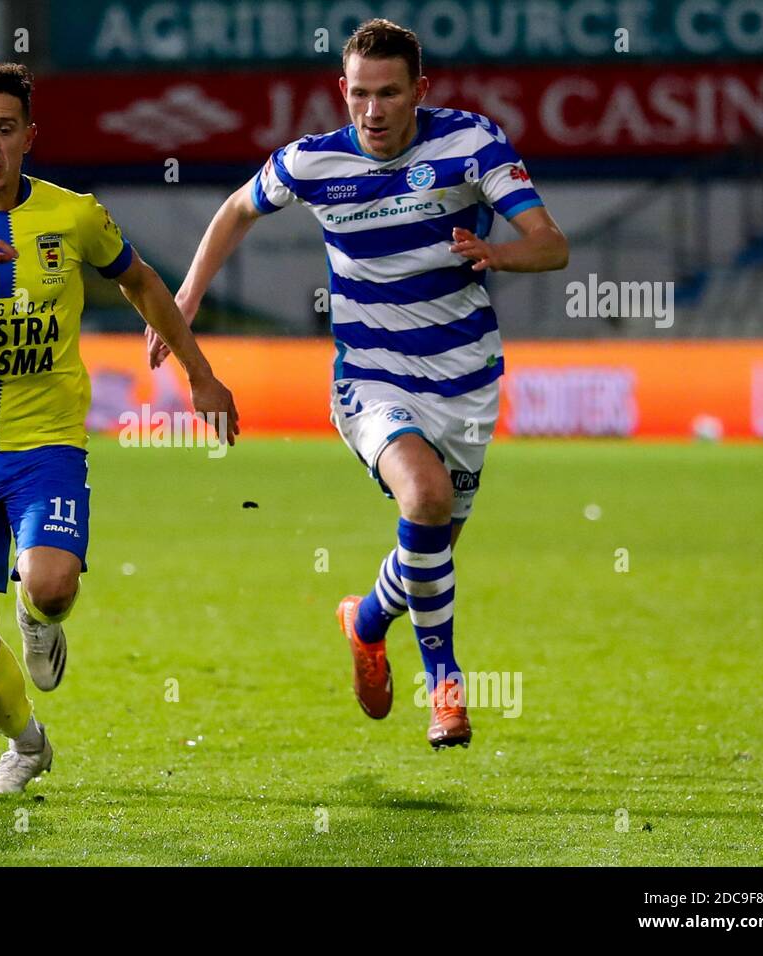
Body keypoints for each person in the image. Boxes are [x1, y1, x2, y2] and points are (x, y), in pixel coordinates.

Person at [150, 20, 569, 748]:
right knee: (427, 498)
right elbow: (237, 209)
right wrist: (187, 294)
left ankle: (366, 620)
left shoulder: (470, 142)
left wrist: (497, 256)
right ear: (343, 92)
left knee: (429, 544)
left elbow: (552, 246)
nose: (372, 111)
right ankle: (446, 692)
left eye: (389, 94)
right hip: (371, 377)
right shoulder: (311, 163)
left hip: (465, 378)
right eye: (360, 95)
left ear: (420, 92)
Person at [0, 59, 239, 793]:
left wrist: (199, 373)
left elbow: (137, 278)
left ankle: (39, 619)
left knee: (53, 583)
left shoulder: (74, 215)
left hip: (46, 446)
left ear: (29, 136)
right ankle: (27, 745)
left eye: (5, 129)